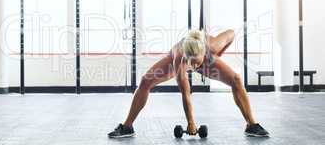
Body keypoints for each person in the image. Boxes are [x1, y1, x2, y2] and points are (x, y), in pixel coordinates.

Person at [108, 29, 269, 138]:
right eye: (191, 64)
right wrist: (191, 122)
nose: (194, 68)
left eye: (196, 63)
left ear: (204, 52)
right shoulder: (180, 59)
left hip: (209, 60)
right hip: (175, 60)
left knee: (236, 79)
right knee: (145, 81)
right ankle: (127, 126)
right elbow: (186, 92)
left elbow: (231, 34)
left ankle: (251, 125)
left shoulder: (212, 45)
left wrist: (218, 54)